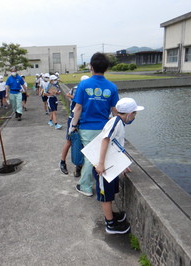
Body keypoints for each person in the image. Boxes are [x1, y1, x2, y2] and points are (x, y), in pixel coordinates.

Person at [70, 52, 119, 197]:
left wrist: (72, 126)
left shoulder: (84, 84)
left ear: (91, 67)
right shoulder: (112, 87)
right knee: (98, 157)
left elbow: (78, 108)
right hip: (104, 128)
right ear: (106, 68)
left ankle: (85, 186)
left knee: (90, 158)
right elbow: (115, 110)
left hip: (86, 128)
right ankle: (97, 184)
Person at [94, 97, 144, 234]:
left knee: (110, 192)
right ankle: (110, 224)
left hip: (109, 164)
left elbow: (115, 146)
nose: (135, 116)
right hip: (103, 167)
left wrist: (122, 164)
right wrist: (100, 164)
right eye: (134, 113)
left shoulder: (119, 123)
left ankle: (110, 215)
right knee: (106, 196)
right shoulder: (116, 122)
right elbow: (105, 141)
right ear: (129, 114)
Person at [59, 75, 89, 176]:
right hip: (73, 119)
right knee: (70, 141)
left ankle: (78, 166)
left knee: (81, 143)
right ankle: (62, 162)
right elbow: (78, 106)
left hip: (83, 119)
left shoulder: (88, 90)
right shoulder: (77, 89)